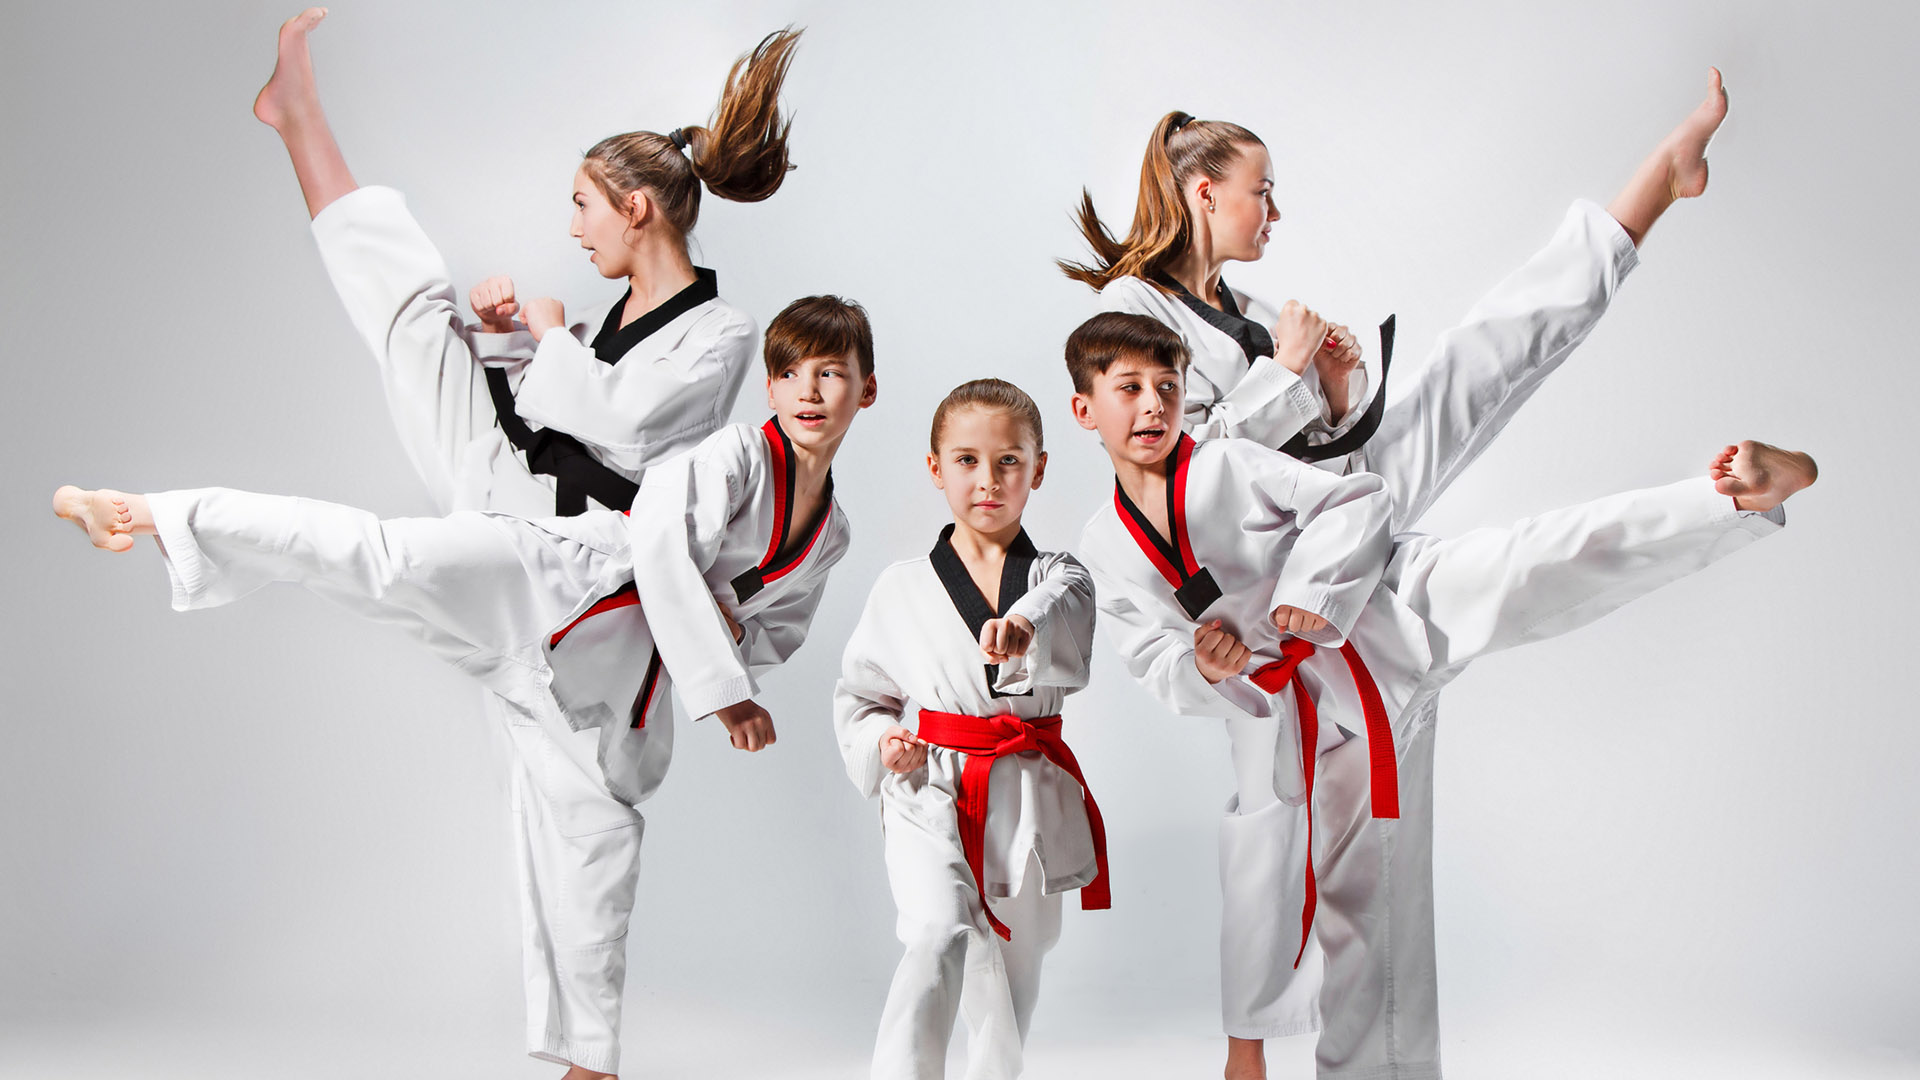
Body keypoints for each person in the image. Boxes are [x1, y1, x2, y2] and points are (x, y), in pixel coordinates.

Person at [53, 295, 878, 1080]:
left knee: (602, 850)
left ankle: (589, 1061)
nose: (811, 389)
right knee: (385, 559)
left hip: (611, 686)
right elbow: (662, 548)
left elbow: (780, 629)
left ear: (865, 391)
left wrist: (734, 654)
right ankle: (148, 512)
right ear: (769, 384)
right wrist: (724, 684)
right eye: (794, 370)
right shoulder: (734, 457)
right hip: (555, 584)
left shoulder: (831, 530)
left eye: (832, 372)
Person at [247, 12, 804, 1075]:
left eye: (585, 206)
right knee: (416, 316)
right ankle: (299, 124)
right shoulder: (600, 320)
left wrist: (545, 335)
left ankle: (585, 1056)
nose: (577, 225)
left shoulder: (719, 332)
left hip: (567, 551)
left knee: (581, 812)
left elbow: (632, 428)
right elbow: (562, 397)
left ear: (637, 208)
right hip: (506, 479)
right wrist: (505, 331)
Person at [1062, 312, 1814, 1080]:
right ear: (1085, 410)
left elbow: (1355, 499)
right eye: (1129, 390)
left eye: (1167, 387)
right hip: (1323, 719)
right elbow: (1153, 660)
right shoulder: (1103, 546)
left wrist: (1306, 593)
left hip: (1388, 607)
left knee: (1532, 564)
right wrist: (1207, 670)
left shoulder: (1226, 464)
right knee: (1363, 926)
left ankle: (1730, 498)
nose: (1153, 405)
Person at [1062, 70, 1729, 533]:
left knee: (1482, 353)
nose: (1276, 211)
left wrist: (1336, 392)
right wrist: (1287, 370)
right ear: (1205, 193)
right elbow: (1181, 476)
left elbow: (1325, 449)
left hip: (1331, 510)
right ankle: (1659, 183)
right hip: (1270, 556)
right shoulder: (1130, 306)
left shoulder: (1253, 309)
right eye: (1262, 190)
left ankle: (1657, 185)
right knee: (1483, 373)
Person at [834, 380, 1103, 1079]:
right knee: (938, 931)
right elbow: (862, 696)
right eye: (966, 461)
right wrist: (881, 743)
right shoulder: (900, 586)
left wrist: (1022, 625)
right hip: (929, 786)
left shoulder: (1059, 575)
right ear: (935, 468)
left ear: (1038, 469)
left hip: (1025, 794)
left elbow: (1060, 602)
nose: (988, 481)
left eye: (1009, 461)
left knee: (1012, 982)